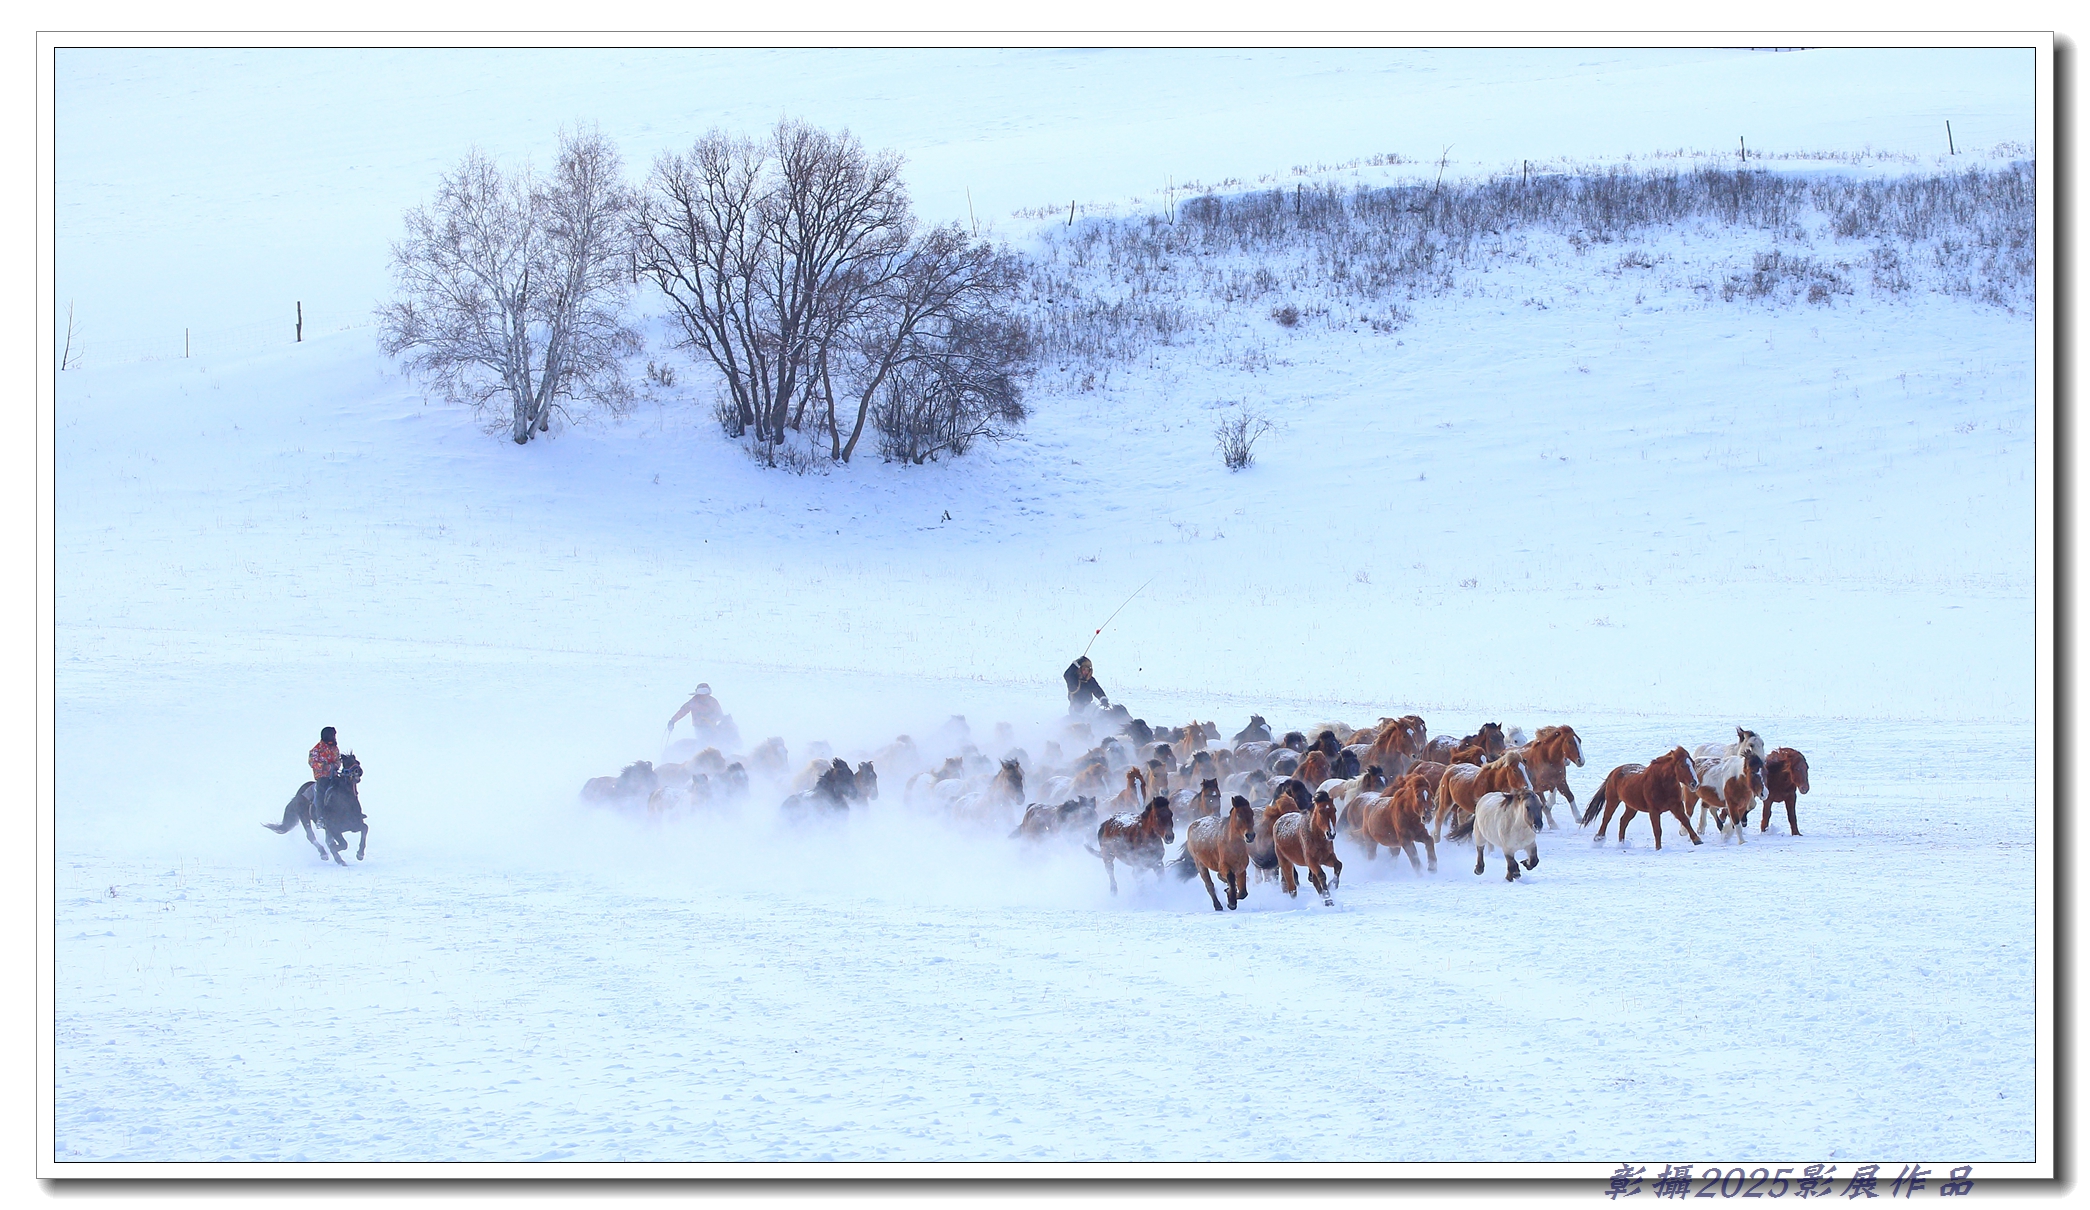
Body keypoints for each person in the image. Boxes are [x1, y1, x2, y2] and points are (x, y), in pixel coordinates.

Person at [307, 726, 341, 816]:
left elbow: (338, 760)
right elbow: (312, 762)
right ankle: (320, 817)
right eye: (332, 735)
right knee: (321, 793)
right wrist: (325, 767)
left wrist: (336, 765)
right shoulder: (316, 749)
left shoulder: (335, 748)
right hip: (322, 777)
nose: (334, 737)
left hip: (334, 776)